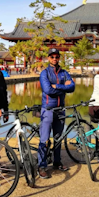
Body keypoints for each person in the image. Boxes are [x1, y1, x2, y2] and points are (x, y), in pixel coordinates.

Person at [38, 48, 75, 179]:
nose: (54, 59)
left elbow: (73, 87)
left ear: (59, 58)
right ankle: (42, 165)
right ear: (48, 58)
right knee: (45, 139)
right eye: (52, 56)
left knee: (58, 138)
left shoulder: (64, 73)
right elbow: (47, 90)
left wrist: (57, 86)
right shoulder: (44, 73)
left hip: (60, 109)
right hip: (48, 108)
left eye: (57, 56)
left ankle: (57, 162)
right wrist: (63, 87)